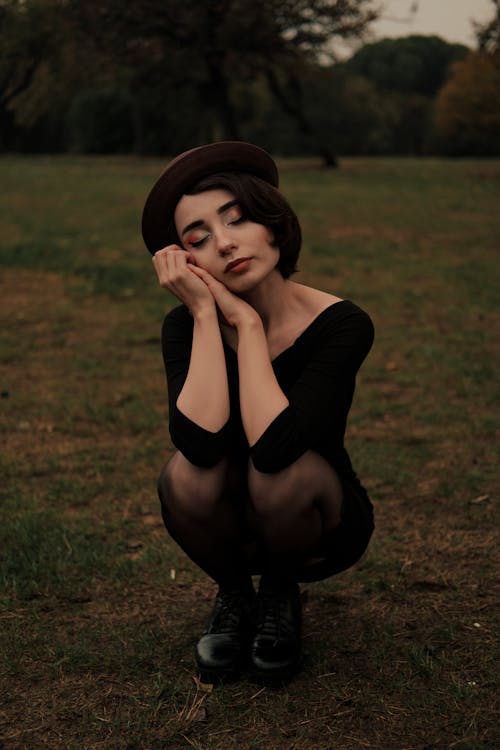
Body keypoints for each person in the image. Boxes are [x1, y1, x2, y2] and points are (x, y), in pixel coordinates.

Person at [142, 141, 374, 685]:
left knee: (280, 473)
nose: (223, 244)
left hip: (315, 514)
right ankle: (237, 596)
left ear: (272, 222)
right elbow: (199, 446)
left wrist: (247, 327)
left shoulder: (342, 324)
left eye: (236, 219)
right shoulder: (184, 326)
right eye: (197, 238)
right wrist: (205, 314)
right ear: (186, 261)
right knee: (183, 477)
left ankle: (278, 596)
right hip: (227, 518)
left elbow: (276, 448)